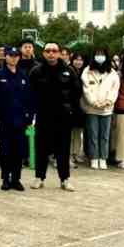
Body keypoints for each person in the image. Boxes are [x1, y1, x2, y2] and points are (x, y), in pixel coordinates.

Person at [30, 42, 79, 192]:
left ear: (59, 53)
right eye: (48, 51)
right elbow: (30, 94)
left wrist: (71, 110)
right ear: (43, 53)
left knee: (63, 150)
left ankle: (65, 179)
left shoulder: (68, 71)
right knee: (41, 149)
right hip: (43, 116)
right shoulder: (36, 71)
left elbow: (77, 92)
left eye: (54, 51)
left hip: (63, 117)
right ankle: (39, 177)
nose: (51, 53)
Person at [0, 46, 32, 191]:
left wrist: (29, 118)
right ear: (5, 57)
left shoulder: (23, 76)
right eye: (10, 55)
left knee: (19, 151)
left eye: (16, 55)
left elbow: (29, 99)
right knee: (5, 151)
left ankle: (16, 178)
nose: (13, 58)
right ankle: (5, 178)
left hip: (20, 120)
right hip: (5, 120)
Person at [80, 48, 119, 170]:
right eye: (97, 54)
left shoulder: (112, 72)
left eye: (102, 54)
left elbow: (115, 88)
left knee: (105, 135)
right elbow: (86, 89)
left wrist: (108, 101)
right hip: (92, 108)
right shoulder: (87, 71)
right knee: (93, 134)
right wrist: (94, 102)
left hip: (107, 109)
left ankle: (103, 158)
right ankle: (94, 158)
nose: (100, 56)